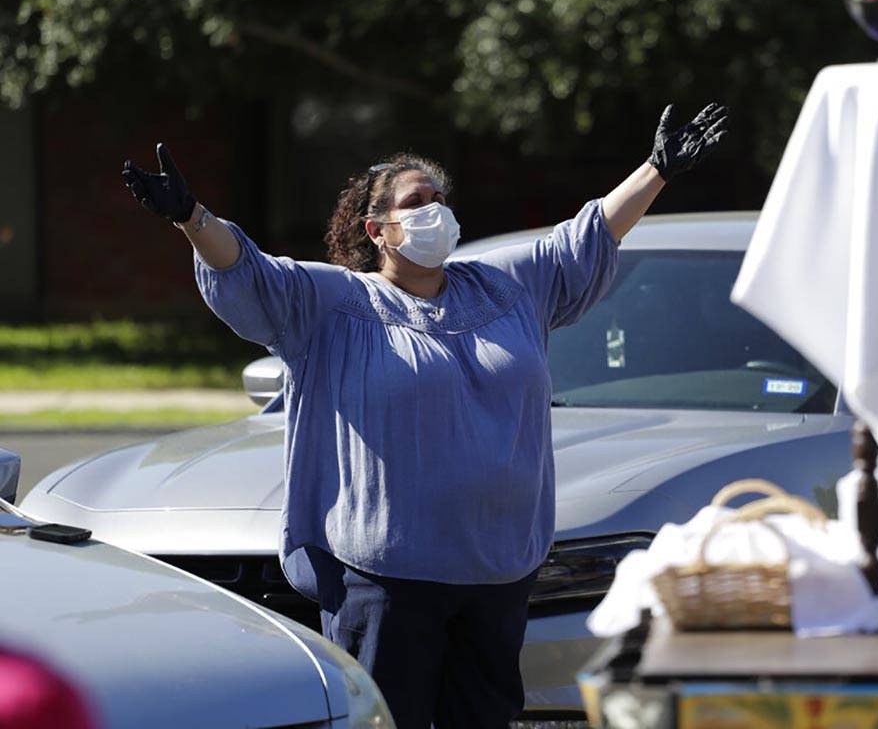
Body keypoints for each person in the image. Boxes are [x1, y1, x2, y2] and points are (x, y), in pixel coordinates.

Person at [120, 102, 727, 728]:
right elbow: (248, 274)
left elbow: (587, 238)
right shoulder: (333, 301)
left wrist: (656, 169)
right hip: (386, 583)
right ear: (376, 228)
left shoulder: (503, 286)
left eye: (440, 198)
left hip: (497, 576)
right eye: (416, 201)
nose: (434, 210)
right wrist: (191, 218)